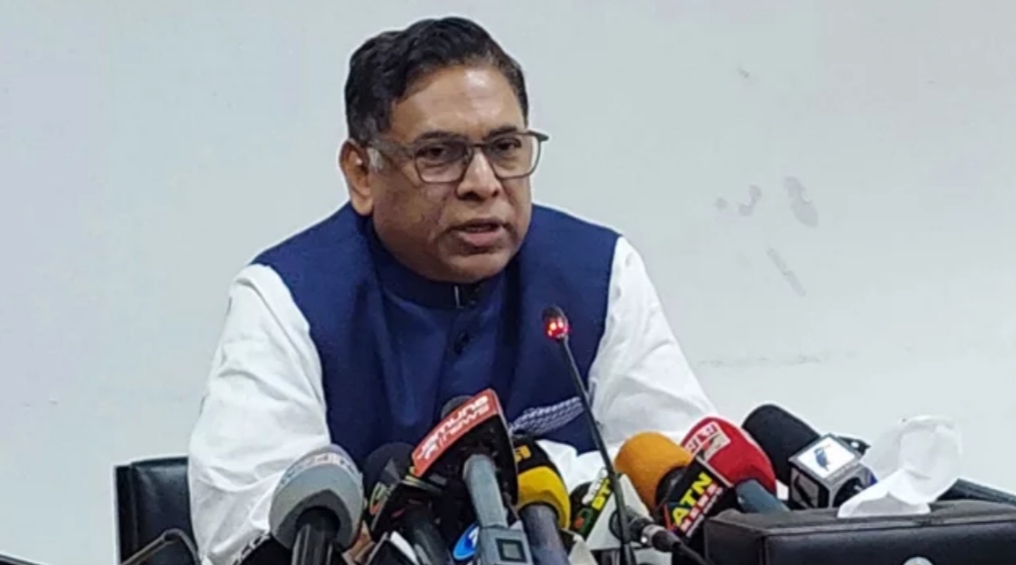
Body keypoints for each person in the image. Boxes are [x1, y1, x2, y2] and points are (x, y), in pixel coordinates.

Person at [187, 15, 715, 565]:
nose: (483, 184)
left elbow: (685, 483)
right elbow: (246, 533)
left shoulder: (599, 274)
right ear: (362, 173)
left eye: (505, 147)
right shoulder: (288, 298)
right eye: (438, 154)